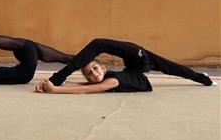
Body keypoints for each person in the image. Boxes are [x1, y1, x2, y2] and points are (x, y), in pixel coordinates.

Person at [36, 38, 217, 94]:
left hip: (136, 56)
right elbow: (87, 86)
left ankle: (203, 78)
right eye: (89, 73)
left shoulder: (112, 80)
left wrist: (55, 86)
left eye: (95, 68)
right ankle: (204, 78)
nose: (92, 72)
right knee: (172, 67)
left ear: (104, 68)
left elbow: (86, 88)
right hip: (134, 70)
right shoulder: (113, 79)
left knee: (98, 43)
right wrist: (53, 85)